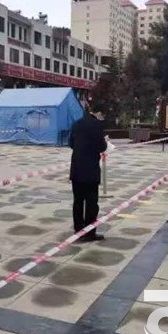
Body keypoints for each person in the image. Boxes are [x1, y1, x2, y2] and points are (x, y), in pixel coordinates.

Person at [69, 102, 108, 242]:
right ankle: (90, 233)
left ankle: (78, 230)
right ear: (98, 113)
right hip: (90, 170)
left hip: (77, 169)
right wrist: (105, 142)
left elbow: (71, 143)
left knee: (78, 202)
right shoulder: (97, 125)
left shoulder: (76, 124)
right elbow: (101, 147)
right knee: (91, 203)